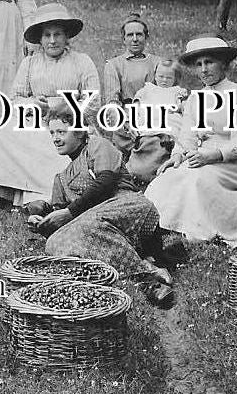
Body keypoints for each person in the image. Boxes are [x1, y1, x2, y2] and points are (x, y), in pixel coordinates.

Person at [26, 116, 174, 308]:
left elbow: (106, 182)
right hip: (94, 226)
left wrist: (70, 212)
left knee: (88, 223)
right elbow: (62, 223)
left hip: (126, 206)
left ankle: (146, 279)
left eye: (61, 132)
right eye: (52, 133)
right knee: (55, 243)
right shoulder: (61, 179)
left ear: (79, 132)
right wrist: (43, 222)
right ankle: (148, 266)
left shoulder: (97, 145)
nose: (55, 138)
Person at [0, 3, 100, 205]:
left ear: (66, 36)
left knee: (56, 144)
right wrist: (32, 103)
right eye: (47, 35)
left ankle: (49, 194)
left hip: (71, 122)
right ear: (40, 39)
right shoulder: (30, 63)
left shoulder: (81, 61)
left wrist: (64, 107)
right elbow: (15, 99)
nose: (52, 40)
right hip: (34, 120)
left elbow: (93, 102)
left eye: (57, 34)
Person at [144, 35, 237, 242]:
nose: (204, 70)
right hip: (202, 158)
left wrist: (210, 156)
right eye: (199, 65)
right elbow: (187, 137)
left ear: (223, 64)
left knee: (197, 179)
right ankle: (161, 227)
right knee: (167, 178)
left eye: (209, 62)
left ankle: (198, 232)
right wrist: (177, 156)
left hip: (236, 164)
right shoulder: (196, 99)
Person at [101, 14, 163, 105]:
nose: (135, 39)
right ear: (124, 39)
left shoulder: (158, 63)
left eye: (139, 34)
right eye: (130, 35)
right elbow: (112, 102)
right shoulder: (113, 65)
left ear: (146, 37)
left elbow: (166, 95)